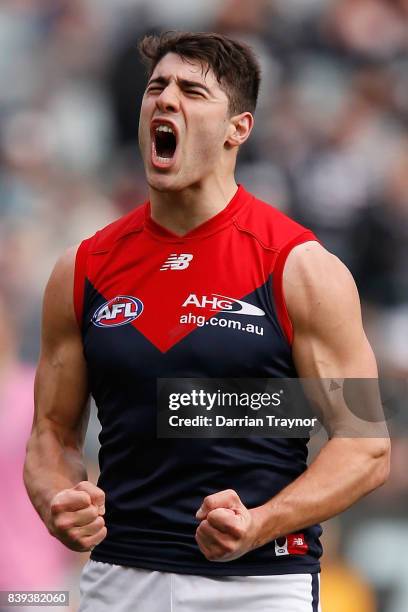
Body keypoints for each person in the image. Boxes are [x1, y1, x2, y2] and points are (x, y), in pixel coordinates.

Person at [24, 32, 390, 612]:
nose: (166, 101)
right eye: (156, 88)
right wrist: (56, 500)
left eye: (192, 91)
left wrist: (262, 522)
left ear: (237, 128)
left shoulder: (299, 267)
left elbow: (366, 444)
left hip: (259, 587)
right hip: (118, 580)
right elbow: (51, 432)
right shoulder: (83, 267)